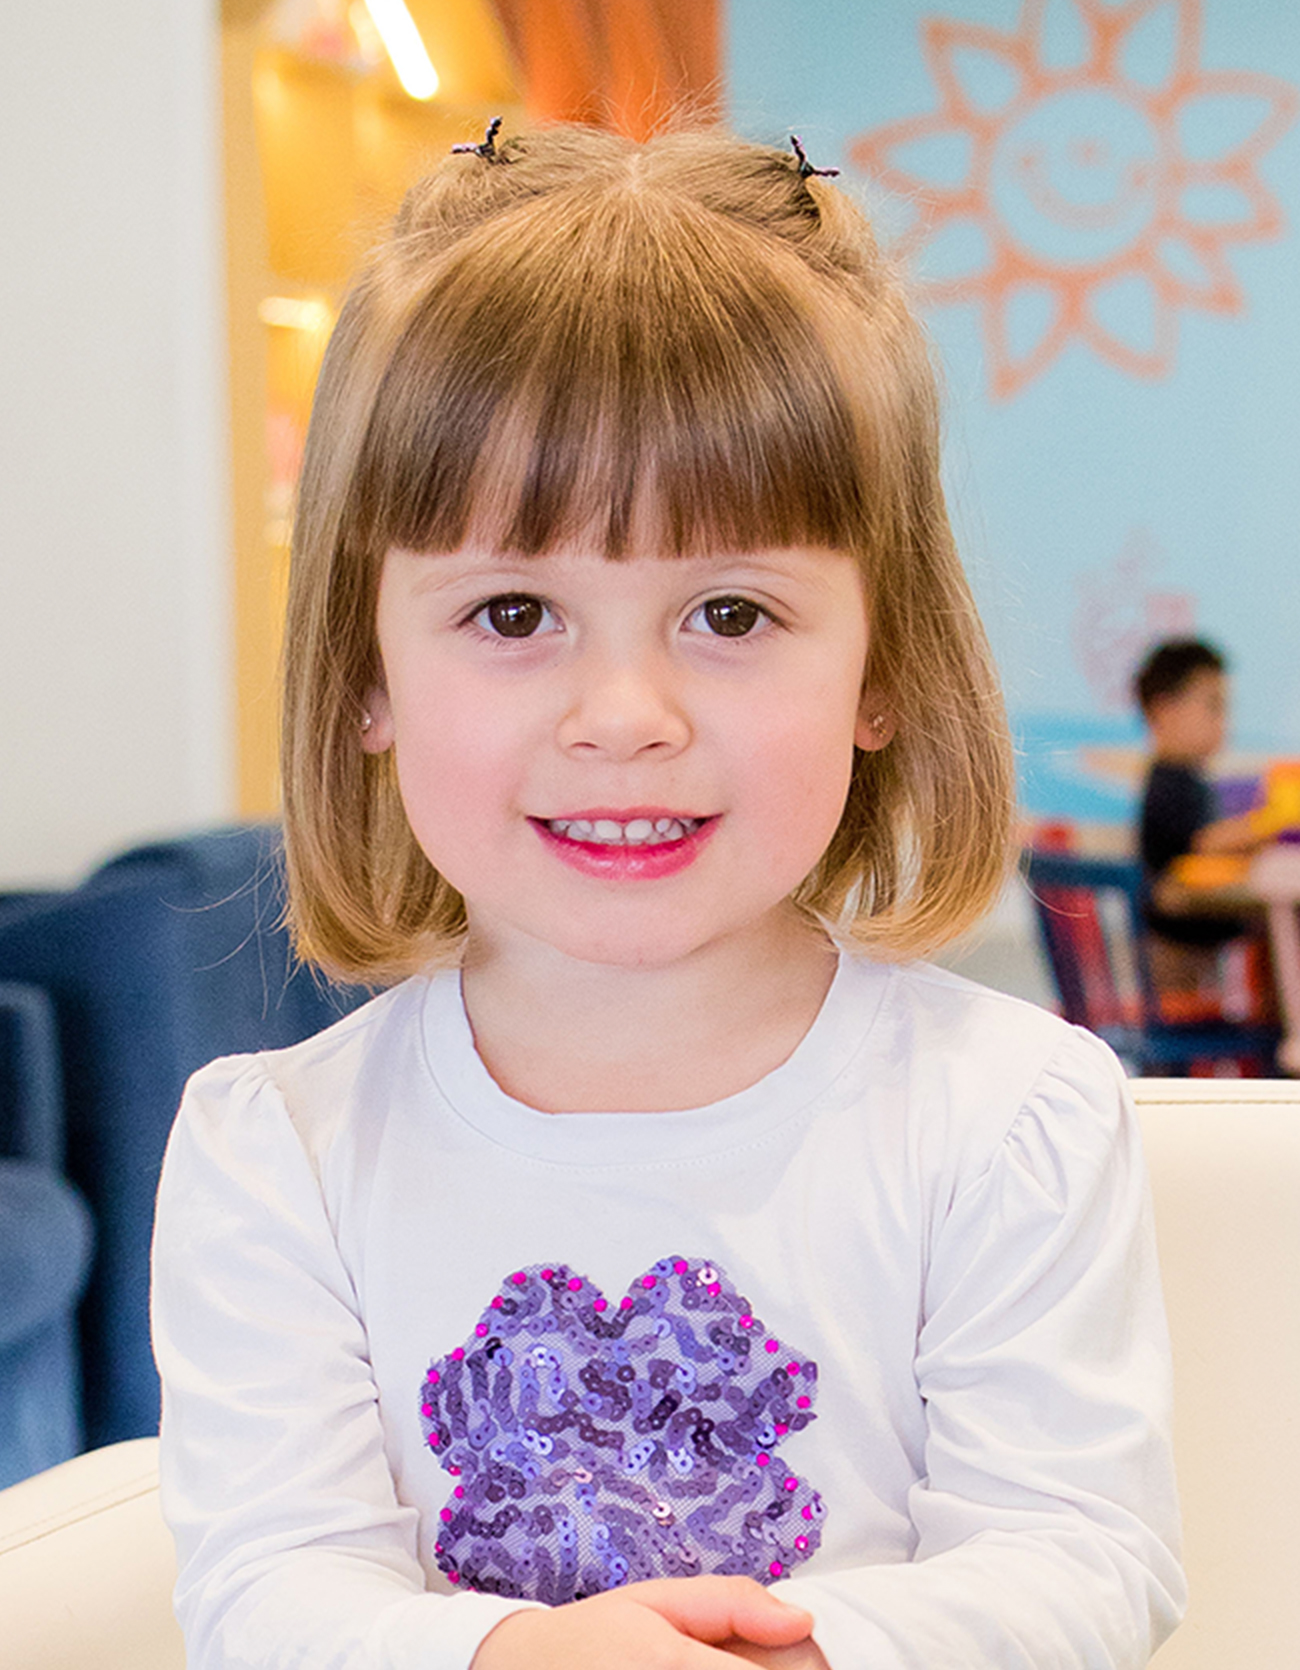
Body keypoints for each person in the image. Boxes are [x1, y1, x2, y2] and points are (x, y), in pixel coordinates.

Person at [151, 123, 1185, 1670]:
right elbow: (267, 1588)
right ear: (369, 672)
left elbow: (1083, 1556)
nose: (623, 711)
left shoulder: (1007, 1116)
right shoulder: (278, 1158)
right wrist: (521, 1655)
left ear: (881, 664)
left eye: (728, 610)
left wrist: (767, 1648)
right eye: (514, 610)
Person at [1133, 638, 1269, 1002]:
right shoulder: (1169, 782)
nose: (1223, 721)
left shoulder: (1190, 781)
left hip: (1194, 949)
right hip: (1177, 958)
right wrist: (1268, 825)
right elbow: (1205, 841)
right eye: (1213, 706)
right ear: (1165, 711)